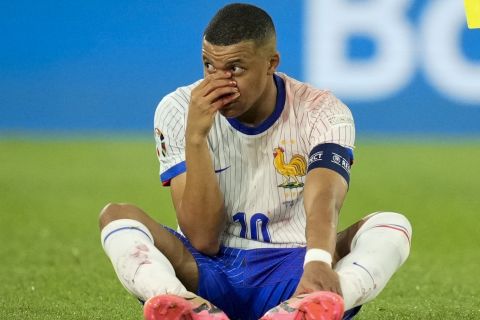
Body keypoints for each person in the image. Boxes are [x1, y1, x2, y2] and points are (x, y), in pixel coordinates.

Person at [99, 3, 412, 320]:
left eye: (235, 68)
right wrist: (196, 137)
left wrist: (317, 260)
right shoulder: (179, 108)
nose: (219, 83)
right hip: (207, 272)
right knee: (116, 216)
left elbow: (325, 197)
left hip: (294, 269)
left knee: (390, 225)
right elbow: (204, 239)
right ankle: (182, 304)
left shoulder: (322, 111)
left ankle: (306, 307)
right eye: (209, 66)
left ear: (270, 64)